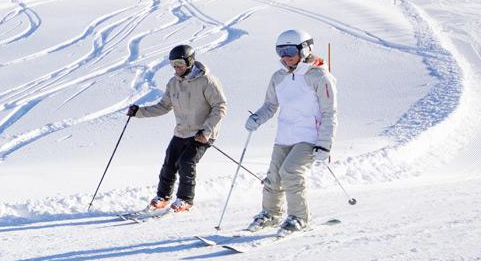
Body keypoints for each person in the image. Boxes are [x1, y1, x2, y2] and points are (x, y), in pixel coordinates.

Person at [243, 29, 338, 233]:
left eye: (289, 51)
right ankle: (270, 214)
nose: (285, 57)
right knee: (273, 177)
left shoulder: (320, 76)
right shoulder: (278, 77)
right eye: (280, 52)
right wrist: (257, 118)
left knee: (291, 172)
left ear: (304, 49)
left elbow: (329, 112)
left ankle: (299, 217)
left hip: (310, 137)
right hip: (285, 135)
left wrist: (325, 144)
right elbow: (270, 105)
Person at [127, 44, 228, 214]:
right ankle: (163, 197)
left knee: (186, 162)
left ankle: (185, 200)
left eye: (179, 63)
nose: (176, 67)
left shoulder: (207, 81)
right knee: (169, 162)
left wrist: (206, 131)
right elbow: (164, 107)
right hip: (182, 132)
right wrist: (139, 112)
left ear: (189, 61)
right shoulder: (173, 83)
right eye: (172, 63)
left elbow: (220, 107)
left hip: (201, 134)